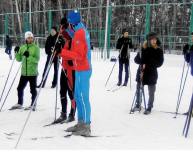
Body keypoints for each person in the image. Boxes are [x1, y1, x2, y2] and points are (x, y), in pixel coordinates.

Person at [56, 10, 92, 136]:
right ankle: (81, 122)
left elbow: (79, 55)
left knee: (83, 97)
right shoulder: (78, 30)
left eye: (69, 22)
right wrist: (63, 35)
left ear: (72, 22)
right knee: (77, 96)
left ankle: (86, 125)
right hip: (78, 69)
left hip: (83, 69)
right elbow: (70, 35)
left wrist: (62, 52)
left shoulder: (81, 33)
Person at [133, 32, 164, 115]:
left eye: (155, 39)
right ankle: (138, 104)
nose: (154, 41)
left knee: (151, 91)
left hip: (152, 73)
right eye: (152, 39)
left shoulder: (158, 50)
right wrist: (140, 56)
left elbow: (160, 63)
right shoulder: (143, 48)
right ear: (148, 40)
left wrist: (150, 61)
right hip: (142, 72)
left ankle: (149, 106)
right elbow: (136, 60)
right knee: (139, 89)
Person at [54, 17, 76, 123]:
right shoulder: (65, 37)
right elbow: (61, 36)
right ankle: (63, 113)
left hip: (72, 69)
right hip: (64, 67)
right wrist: (57, 49)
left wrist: (61, 52)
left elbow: (73, 55)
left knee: (71, 92)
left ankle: (72, 113)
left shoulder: (74, 37)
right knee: (62, 90)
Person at [11, 31, 40, 111]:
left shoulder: (36, 48)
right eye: (28, 38)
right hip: (24, 73)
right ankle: (20, 103)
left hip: (32, 73)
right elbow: (19, 59)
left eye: (31, 37)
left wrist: (28, 56)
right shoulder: (22, 47)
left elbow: (36, 60)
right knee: (19, 88)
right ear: (26, 38)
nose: (30, 39)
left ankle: (33, 105)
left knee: (33, 90)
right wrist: (16, 52)